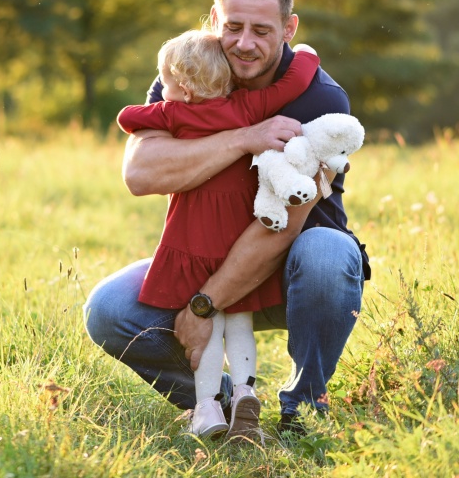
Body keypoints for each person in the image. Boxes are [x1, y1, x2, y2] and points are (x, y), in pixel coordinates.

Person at [84, 0, 370, 438]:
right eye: (233, 26)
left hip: (290, 269)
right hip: (201, 255)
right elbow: (140, 172)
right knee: (109, 309)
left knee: (328, 254)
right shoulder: (185, 74)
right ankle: (220, 401)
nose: (244, 43)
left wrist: (203, 307)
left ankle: (303, 409)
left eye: (262, 30)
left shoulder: (319, 100)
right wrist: (243, 139)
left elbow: (282, 227)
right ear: (215, 20)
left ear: (288, 28)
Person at [116, 28, 320, 439]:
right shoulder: (249, 107)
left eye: (166, 82)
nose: (162, 90)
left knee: (206, 333)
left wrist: (162, 110)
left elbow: (127, 118)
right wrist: (305, 53)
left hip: (192, 239)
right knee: (238, 320)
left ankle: (207, 407)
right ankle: (246, 390)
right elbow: (296, 79)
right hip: (238, 245)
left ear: (186, 89)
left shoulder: (173, 112)